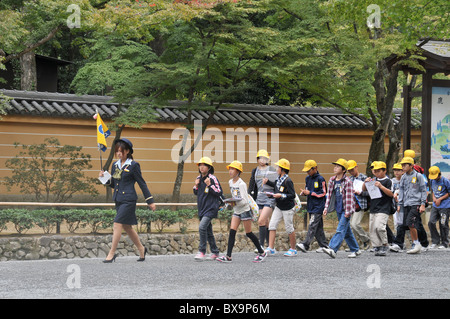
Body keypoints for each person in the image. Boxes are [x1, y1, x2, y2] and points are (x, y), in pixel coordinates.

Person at [100, 138, 156, 263]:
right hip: (118, 199)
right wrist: (104, 178)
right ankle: (141, 249)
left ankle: (112, 253)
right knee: (127, 227)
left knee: (117, 224)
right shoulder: (115, 165)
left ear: (128, 151)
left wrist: (150, 201)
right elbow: (114, 184)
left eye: (121, 151)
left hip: (129, 200)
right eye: (117, 151)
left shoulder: (133, 165)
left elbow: (142, 183)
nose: (119, 153)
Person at [217, 161, 267, 263]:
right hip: (237, 210)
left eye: (232, 169)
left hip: (244, 210)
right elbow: (234, 197)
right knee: (232, 232)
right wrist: (228, 203)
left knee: (248, 233)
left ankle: (262, 252)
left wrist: (234, 202)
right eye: (230, 169)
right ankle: (228, 256)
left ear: (238, 171)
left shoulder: (242, 184)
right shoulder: (230, 182)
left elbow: (244, 201)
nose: (230, 171)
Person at [322, 159, 361, 258]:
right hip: (338, 208)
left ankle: (332, 248)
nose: (335, 168)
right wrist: (326, 207)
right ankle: (355, 249)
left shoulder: (347, 181)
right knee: (346, 231)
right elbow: (329, 195)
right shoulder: (332, 180)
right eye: (335, 166)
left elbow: (349, 197)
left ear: (344, 170)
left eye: (338, 166)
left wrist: (347, 212)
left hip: (346, 209)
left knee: (340, 229)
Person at [263, 159, 298, 257]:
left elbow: (292, 195)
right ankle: (271, 248)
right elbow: (276, 186)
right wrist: (268, 183)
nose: (277, 168)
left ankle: (293, 249)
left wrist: (281, 196)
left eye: (278, 167)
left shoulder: (288, 180)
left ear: (283, 169)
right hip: (279, 207)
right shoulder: (278, 178)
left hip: (288, 208)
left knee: (289, 228)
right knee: (272, 225)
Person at [396, 156, 428, 254]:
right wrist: (399, 204)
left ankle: (417, 244)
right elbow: (401, 190)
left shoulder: (418, 176)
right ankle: (417, 244)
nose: (403, 167)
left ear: (411, 166)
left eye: (405, 165)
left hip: (416, 203)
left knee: (411, 223)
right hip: (406, 204)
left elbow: (423, 190)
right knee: (410, 224)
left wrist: (423, 204)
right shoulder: (404, 177)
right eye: (402, 165)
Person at [193, 157, 223, 261]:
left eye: (204, 165)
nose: (201, 167)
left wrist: (209, 185)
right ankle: (215, 252)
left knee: (202, 227)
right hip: (202, 208)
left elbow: (219, 192)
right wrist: (196, 185)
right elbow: (196, 192)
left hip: (211, 208)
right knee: (208, 231)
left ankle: (202, 251)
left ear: (209, 167)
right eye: (200, 165)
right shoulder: (198, 178)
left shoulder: (212, 178)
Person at [296, 160, 328, 253]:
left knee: (312, 225)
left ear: (315, 168)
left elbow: (323, 193)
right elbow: (307, 189)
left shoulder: (321, 179)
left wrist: (311, 193)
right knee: (318, 227)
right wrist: (304, 193)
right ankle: (324, 245)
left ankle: (305, 244)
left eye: (309, 170)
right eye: (306, 171)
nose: (308, 172)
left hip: (318, 206)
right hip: (310, 205)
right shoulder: (307, 178)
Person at [362, 161, 393, 256]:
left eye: (378, 171)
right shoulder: (372, 180)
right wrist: (365, 183)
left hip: (384, 207)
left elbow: (391, 194)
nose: (376, 173)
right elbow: (363, 189)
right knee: (372, 228)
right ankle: (377, 246)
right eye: (375, 171)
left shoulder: (388, 181)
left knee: (379, 227)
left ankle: (385, 244)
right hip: (373, 207)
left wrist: (381, 186)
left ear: (384, 171)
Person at [248, 149, 277, 250]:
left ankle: (260, 246)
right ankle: (271, 247)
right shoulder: (255, 170)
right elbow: (252, 185)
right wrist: (249, 198)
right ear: (257, 159)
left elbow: (276, 185)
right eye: (260, 158)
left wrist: (268, 182)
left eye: (264, 158)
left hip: (269, 198)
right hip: (259, 199)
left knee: (261, 221)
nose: (262, 160)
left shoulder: (272, 169)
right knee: (266, 222)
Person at [347, 160, 371, 250]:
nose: (351, 172)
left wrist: (360, 192)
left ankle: (366, 240)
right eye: (349, 170)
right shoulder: (349, 179)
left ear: (357, 167)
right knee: (351, 226)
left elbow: (369, 193)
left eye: (352, 169)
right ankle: (355, 245)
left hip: (360, 204)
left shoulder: (364, 178)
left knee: (355, 224)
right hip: (352, 204)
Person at [427, 166, 450, 249]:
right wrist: (434, 198)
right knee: (431, 222)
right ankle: (435, 241)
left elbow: (449, 192)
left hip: (445, 206)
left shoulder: (445, 181)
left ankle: (444, 243)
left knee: (443, 223)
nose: (434, 178)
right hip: (435, 205)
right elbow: (433, 190)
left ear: (439, 174)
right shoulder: (432, 180)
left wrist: (440, 199)